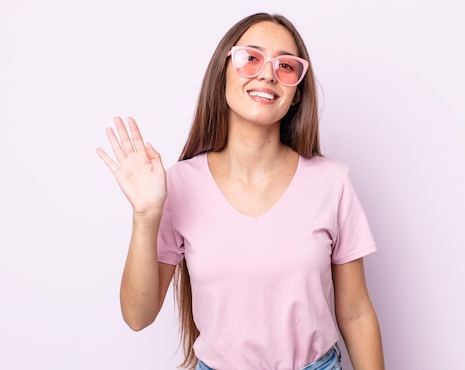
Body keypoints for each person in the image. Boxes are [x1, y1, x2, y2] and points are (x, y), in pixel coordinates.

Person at [96, 12, 384, 370]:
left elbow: (356, 313)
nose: (267, 73)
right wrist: (144, 217)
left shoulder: (333, 182)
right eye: (251, 58)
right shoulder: (181, 183)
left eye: (286, 66)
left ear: (296, 94)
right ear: (223, 73)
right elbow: (138, 316)